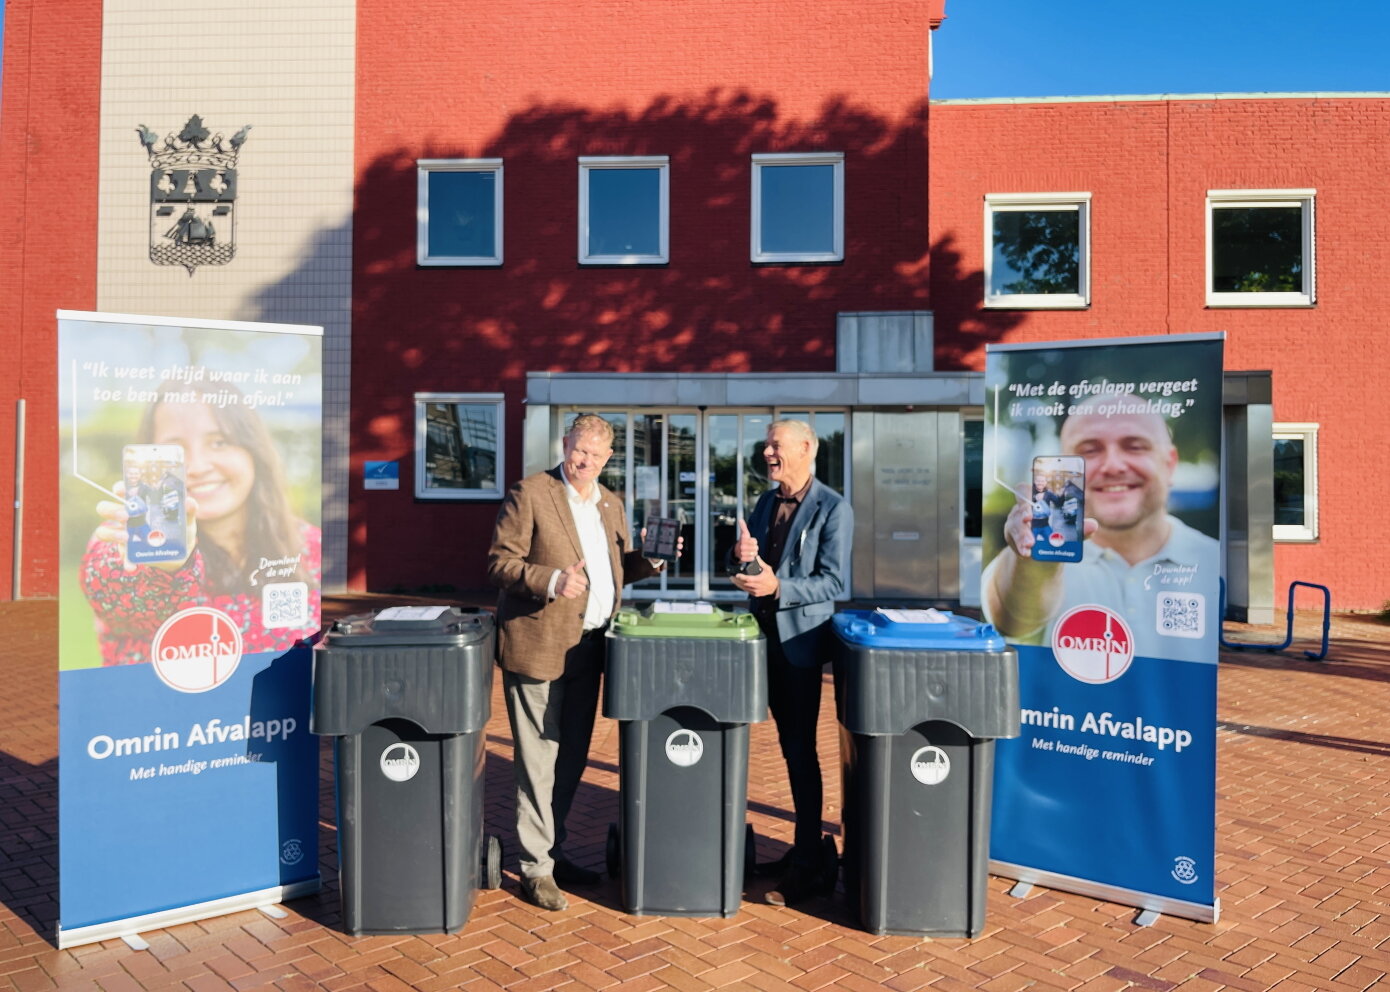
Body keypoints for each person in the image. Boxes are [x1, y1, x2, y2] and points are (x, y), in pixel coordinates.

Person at [487, 414, 672, 912]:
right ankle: (534, 867)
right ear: (565, 444)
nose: (583, 460)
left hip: (589, 648)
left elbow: (615, 572)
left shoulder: (610, 503)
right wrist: (551, 581)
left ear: (608, 458)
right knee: (537, 760)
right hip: (538, 643)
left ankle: (555, 848)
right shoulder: (530, 493)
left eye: (594, 454)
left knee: (571, 757)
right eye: (577, 449)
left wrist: (649, 561)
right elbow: (499, 563)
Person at [82, 383, 322, 666]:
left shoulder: (309, 544)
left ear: (253, 451)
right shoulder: (121, 543)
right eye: (175, 449)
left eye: (219, 442)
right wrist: (167, 565)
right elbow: (120, 597)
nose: (196, 466)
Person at [982, 395, 1219, 663]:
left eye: (1135, 446)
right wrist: (1034, 562)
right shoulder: (1041, 549)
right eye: (1089, 450)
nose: (1112, 466)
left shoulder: (1214, 561)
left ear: (1170, 464)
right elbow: (1013, 619)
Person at [729, 419, 852, 906]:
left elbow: (834, 582)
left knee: (799, 750)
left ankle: (806, 860)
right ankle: (798, 848)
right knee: (769, 745)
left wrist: (779, 587)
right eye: (766, 445)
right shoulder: (764, 502)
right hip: (756, 641)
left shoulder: (834, 508)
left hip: (798, 646)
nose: (767, 452)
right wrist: (740, 560)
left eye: (775, 445)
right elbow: (749, 566)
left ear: (805, 448)